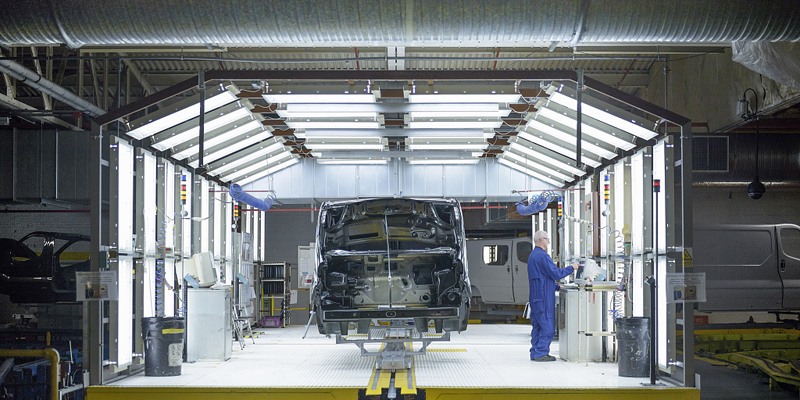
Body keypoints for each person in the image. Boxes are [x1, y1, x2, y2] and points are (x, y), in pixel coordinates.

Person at [528, 230, 577, 361]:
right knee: (548, 327)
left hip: (536, 297)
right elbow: (555, 274)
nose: (549, 242)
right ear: (541, 240)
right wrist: (572, 268)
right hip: (544, 298)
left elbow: (541, 278)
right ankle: (540, 353)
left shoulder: (533, 256)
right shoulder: (543, 256)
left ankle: (535, 352)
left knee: (538, 326)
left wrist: (557, 287)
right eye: (547, 239)